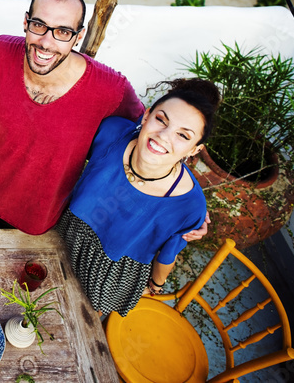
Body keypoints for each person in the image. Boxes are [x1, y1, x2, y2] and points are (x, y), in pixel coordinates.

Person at [0, 0, 145, 234]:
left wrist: (181, 192)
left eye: (63, 31)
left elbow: (148, 136)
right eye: (39, 25)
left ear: (79, 36)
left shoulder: (111, 90)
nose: (46, 42)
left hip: (39, 215)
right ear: (25, 22)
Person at [58, 78, 216, 316]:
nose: (164, 136)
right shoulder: (111, 133)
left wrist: (156, 285)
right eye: (161, 120)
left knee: (78, 319)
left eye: (183, 136)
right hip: (64, 234)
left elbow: (168, 254)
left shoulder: (189, 205)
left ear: (195, 149)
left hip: (110, 274)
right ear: (146, 115)